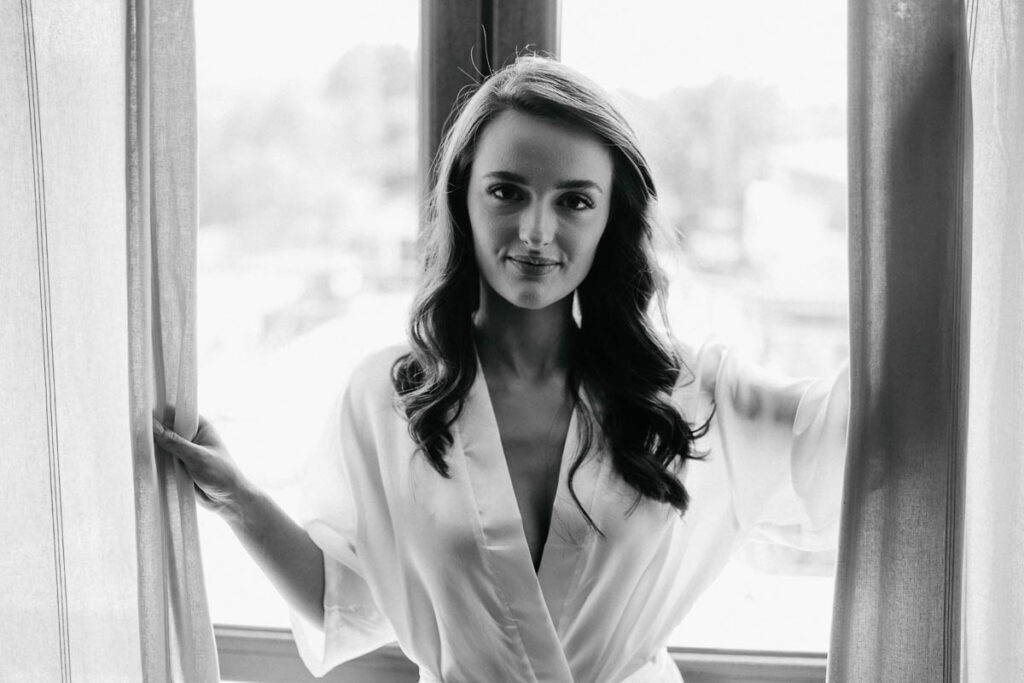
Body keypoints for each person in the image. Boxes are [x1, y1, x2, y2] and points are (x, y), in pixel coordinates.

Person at [153, 55, 849, 683]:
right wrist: (237, 496)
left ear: (610, 217)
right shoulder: (389, 398)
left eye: (574, 200)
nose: (536, 232)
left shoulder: (686, 393)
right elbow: (346, 597)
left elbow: (859, 434)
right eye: (507, 192)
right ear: (463, 197)